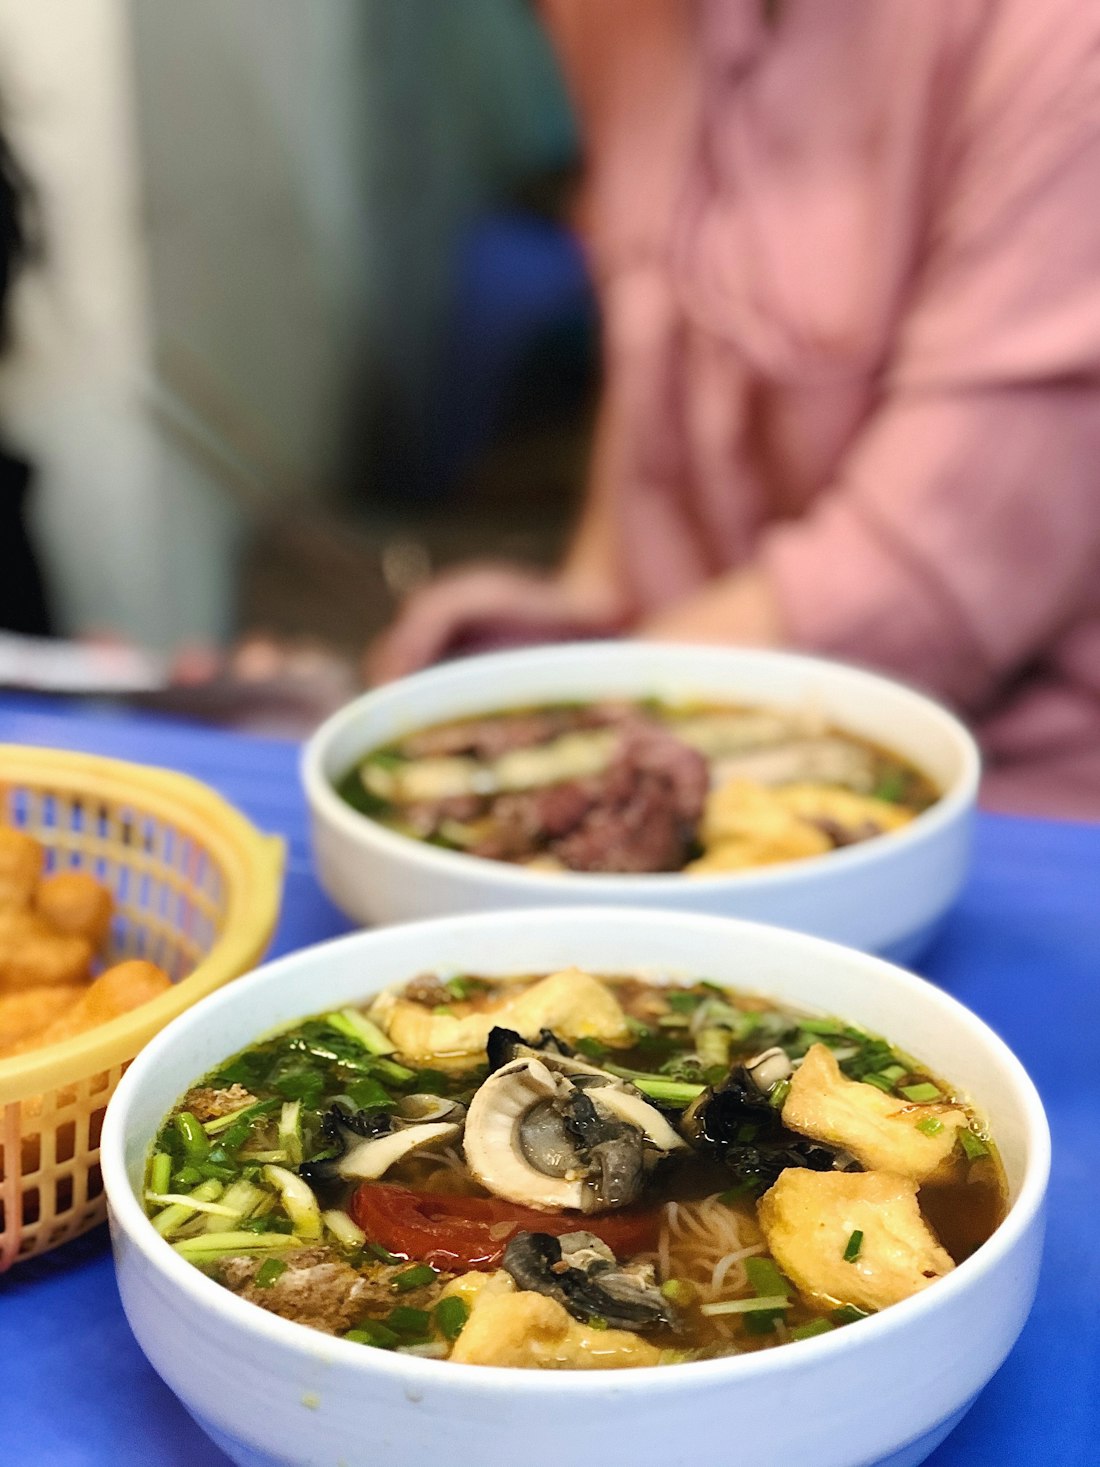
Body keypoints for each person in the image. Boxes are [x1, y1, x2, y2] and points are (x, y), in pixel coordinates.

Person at [368, 0, 1100, 821]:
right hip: (693, 715)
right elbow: (648, 341)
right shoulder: (620, 19)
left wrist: (539, 730)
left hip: (1016, 803)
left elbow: (926, 588)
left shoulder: (1061, 41)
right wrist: (564, 609)